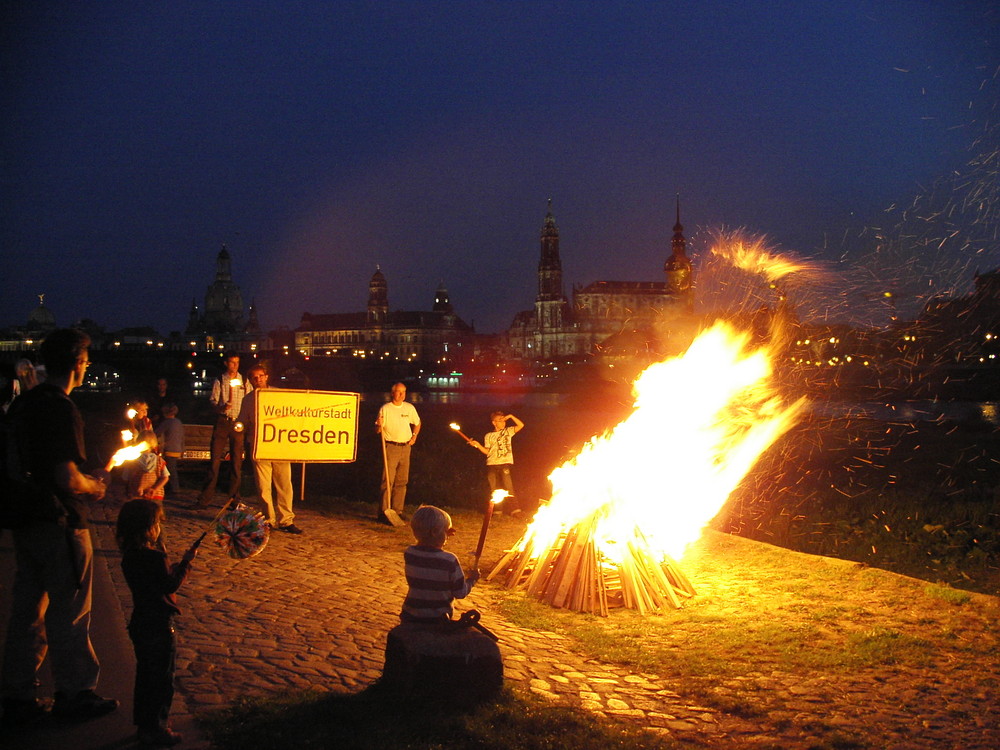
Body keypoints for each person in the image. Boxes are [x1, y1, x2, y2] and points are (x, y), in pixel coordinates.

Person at [1, 328, 118, 726]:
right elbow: (68, 477)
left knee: (26, 611)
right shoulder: (62, 408)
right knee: (69, 612)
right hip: (60, 521)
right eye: (86, 360)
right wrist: (94, 485)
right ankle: (75, 693)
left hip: (25, 519)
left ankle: (17, 693)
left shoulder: (24, 405)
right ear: (79, 364)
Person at [116, 499, 195, 747]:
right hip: (158, 624)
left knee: (146, 677)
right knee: (161, 678)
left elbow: (153, 579)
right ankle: (157, 728)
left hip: (140, 621)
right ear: (149, 526)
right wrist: (184, 564)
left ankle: (145, 725)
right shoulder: (154, 556)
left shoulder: (130, 555)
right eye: (158, 522)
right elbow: (169, 584)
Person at [237, 365, 302, 534]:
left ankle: (286, 520)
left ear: (266, 376)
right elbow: (242, 420)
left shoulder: (279, 395)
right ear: (250, 381)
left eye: (260, 376)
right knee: (263, 485)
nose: (258, 379)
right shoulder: (248, 399)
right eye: (254, 377)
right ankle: (269, 520)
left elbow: (292, 415)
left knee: (284, 483)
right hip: (259, 445)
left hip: (279, 444)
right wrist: (239, 427)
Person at [400, 505, 479, 622]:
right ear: (435, 532)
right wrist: (472, 580)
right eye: (446, 530)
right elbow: (460, 593)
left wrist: (443, 533)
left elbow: (428, 550)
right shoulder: (448, 560)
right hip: (436, 619)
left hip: (410, 615)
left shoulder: (410, 553)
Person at [194, 354, 251, 508]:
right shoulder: (220, 380)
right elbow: (213, 400)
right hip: (223, 421)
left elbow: (250, 400)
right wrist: (221, 408)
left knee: (236, 462)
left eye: (237, 363)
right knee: (214, 461)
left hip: (237, 423)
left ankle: (234, 499)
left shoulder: (244, 381)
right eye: (232, 363)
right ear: (226, 363)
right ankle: (205, 499)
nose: (235, 365)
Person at [375, 382, 421, 523]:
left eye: (404, 392)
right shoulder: (385, 409)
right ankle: (384, 512)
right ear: (392, 393)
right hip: (391, 447)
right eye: (399, 392)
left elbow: (417, 423)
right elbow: (378, 431)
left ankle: (397, 510)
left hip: (405, 447)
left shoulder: (409, 408)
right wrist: (379, 424)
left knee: (402, 481)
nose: (401, 395)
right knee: (388, 480)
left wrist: (414, 436)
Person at [467, 411, 524, 516]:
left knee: (509, 487)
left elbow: (521, 425)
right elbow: (487, 451)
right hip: (492, 464)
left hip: (505, 464)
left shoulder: (508, 431)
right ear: (494, 423)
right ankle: (497, 511)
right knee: (494, 488)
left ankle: (515, 511)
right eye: (500, 421)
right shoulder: (488, 436)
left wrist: (511, 416)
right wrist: (478, 445)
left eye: (504, 420)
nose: (503, 423)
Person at [126, 430, 170, 502]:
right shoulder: (159, 460)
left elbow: (126, 477)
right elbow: (165, 477)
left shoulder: (132, 460)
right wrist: (154, 489)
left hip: (136, 495)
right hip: (155, 496)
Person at [155, 403, 184, 498]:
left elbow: (156, 433)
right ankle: (171, 489)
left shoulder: (167, 422)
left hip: (170, 449)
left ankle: (175, 490)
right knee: (172, 468)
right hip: (177, 449)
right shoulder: (178, 422)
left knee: (170, 470)